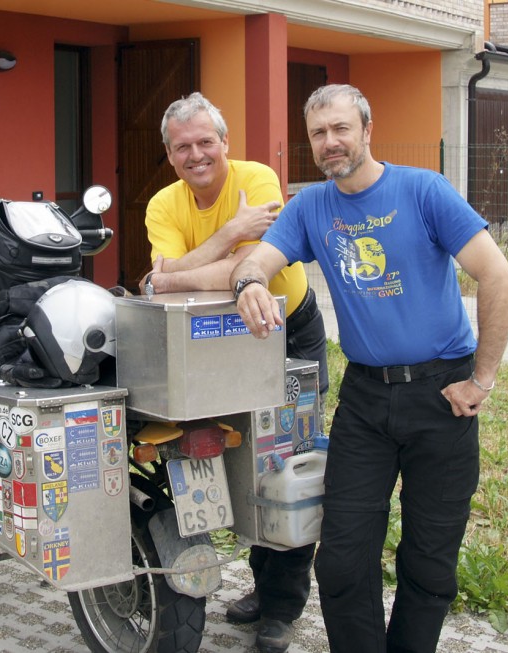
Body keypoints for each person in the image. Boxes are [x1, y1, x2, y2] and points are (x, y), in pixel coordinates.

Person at [230, 84, 508, 653]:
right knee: (340, 560)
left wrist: (481, 379)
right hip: (365, 401)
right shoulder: (312, 206)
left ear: (366, 128)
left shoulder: (423, 190)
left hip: (443, 394)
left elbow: (499, 277)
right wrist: (249, 284)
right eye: (318, 133)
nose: (330, 142)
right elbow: (257, 259)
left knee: (430, 561)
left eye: (340, 129)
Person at [141, 92, 329, 653]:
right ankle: (260, 582)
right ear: (170, 156)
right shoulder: (163, 204)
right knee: (239, 458)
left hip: (286, 332)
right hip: (213, 342)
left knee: (286, 465)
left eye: (206, 142)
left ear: (225, 143)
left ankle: (280, 608)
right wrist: (226, 240)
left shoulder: (258, 180)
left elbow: (250, 273)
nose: (196, 154)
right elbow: (184, 275)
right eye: (183, 148)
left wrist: (174, 274)